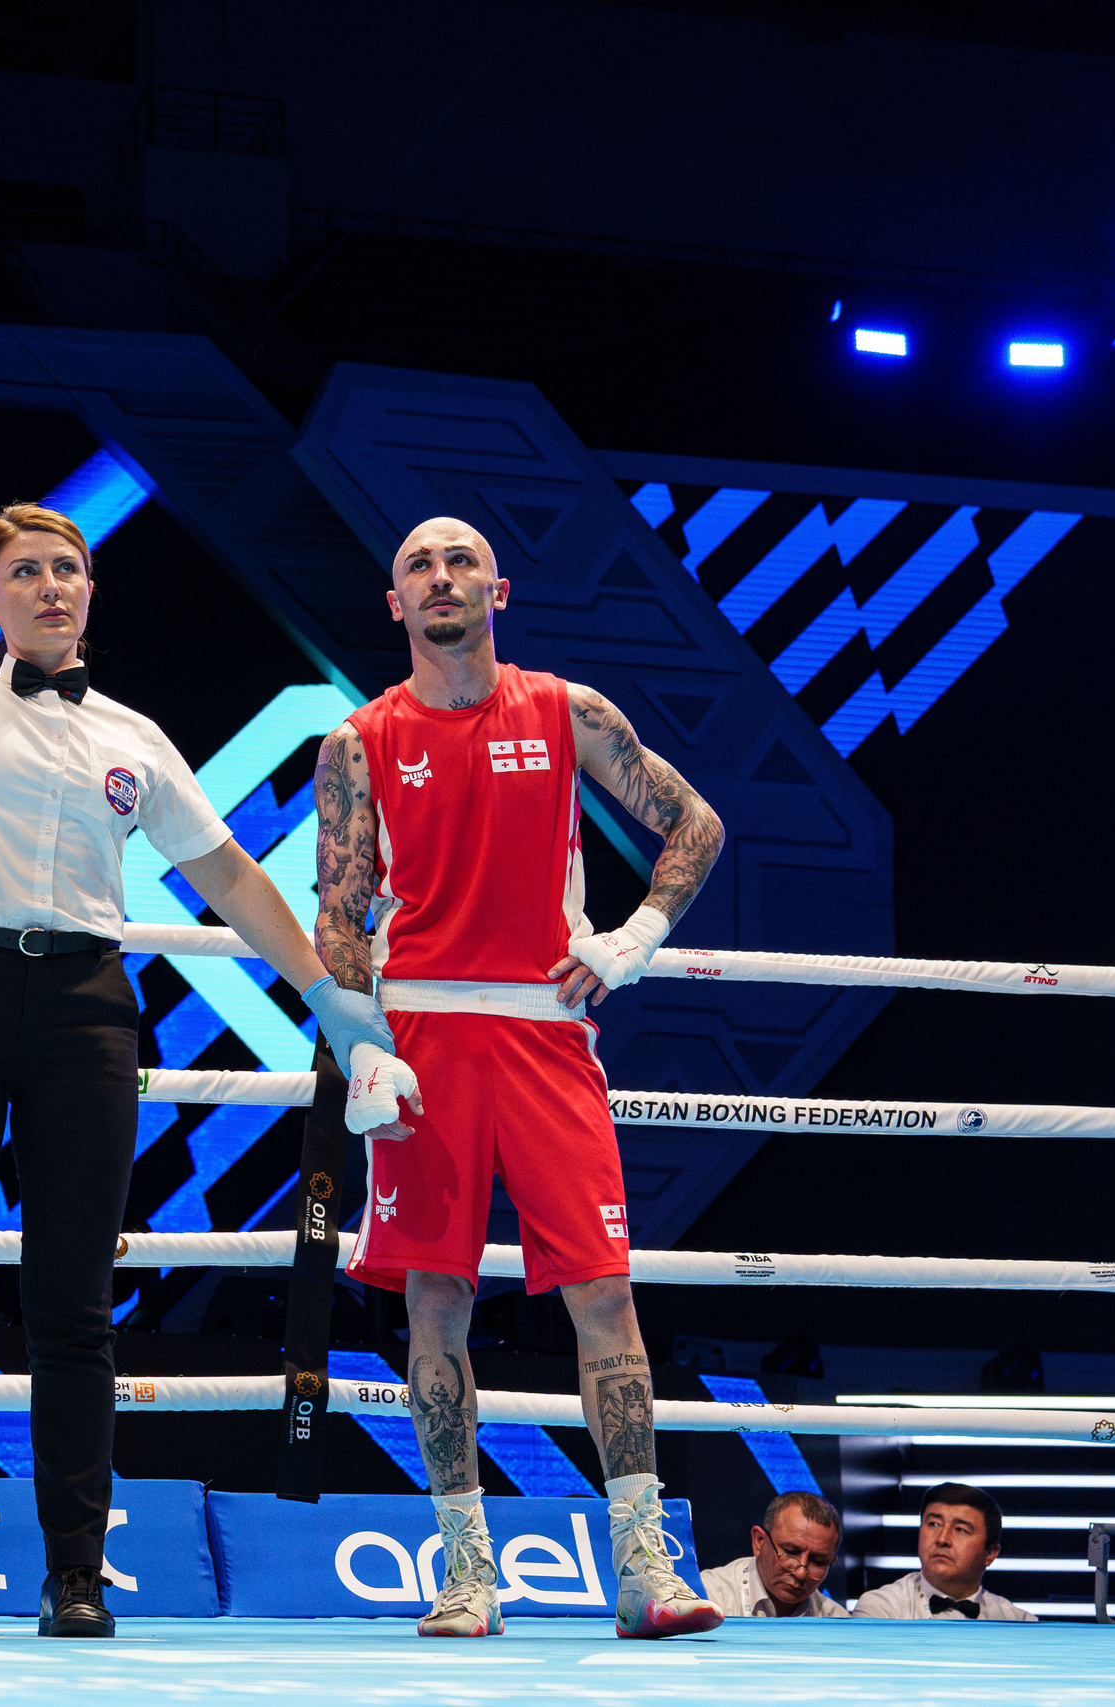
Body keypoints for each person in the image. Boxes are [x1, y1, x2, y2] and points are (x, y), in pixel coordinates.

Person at [0, 264, 400, 1640]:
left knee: (76, 1304)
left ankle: (75, 1572)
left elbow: (234, 877)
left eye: (72, 566)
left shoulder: (137, 734)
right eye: (30, 570)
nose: (58, 585)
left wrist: (335, 1001)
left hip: (85, 1003)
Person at [312, 516, 729, 1640]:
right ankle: (465, 1572)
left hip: (548, 1029)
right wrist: (359, 1039)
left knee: (603, 1290)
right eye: (416, 566)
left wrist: (634, 932)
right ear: (394, 603)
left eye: (460, 561)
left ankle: (643, 1567)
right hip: (422, 1039)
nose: (440, 577)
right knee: (433, 1301)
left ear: (497, 589)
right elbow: (338, 912)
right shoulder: (356, 741)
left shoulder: (564, 711)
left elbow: (696, 824)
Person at [854, 1483, 1037, 1620]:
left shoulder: (1017, 1622)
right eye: (933, 1524)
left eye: (960, 1530)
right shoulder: (880, 1608)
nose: (942, 1539)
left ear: (990, 1553)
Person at [702, 1491, 850, 1617]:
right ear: (759, 1541)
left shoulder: (837, 1619)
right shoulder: (706, 1597)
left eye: (818, 1561)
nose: (800, 1573)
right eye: (790, 1552)